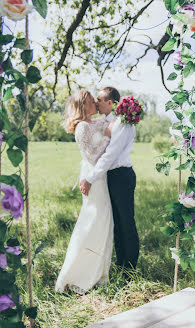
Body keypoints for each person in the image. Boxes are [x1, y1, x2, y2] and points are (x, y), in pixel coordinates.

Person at [55, 90, 114, 294]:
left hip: (100, 178)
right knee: (94, 220)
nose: (95, 104)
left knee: (104, 220)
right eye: (91, 102)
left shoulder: (92, 123)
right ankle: (80, 272)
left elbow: (107, 122)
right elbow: (92, 157)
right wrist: (106, 139)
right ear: (83, 106)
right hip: (93, 178)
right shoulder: (82, 128)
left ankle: (99, 270)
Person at [80, 87, 139, 271]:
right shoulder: (107, 121)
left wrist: (89, 178)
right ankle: (121, 263)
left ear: (110, 103)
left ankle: (130, 268)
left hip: (122, 175)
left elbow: (110, 156)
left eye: (99, 100)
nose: (96, 103)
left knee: (126, 222)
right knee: (117, 223)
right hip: (112, 177)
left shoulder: (122, 124)